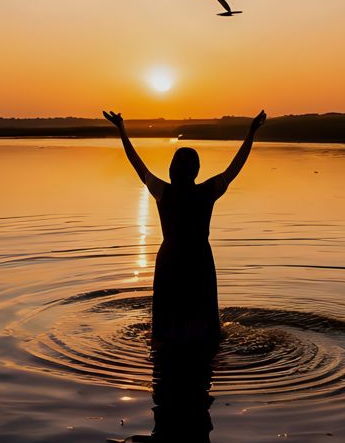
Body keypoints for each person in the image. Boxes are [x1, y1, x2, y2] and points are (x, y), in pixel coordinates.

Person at [102, 109, 267, 352]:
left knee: (168, 320)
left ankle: (167, 347)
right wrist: (251, 132)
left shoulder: (163, 192)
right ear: (196, 170)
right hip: (200, 257)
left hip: (170, 258)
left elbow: (137, 164)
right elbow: (236, 166)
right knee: (201, 310)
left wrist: (121, 130)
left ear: (173, 169)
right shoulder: (208, 191)